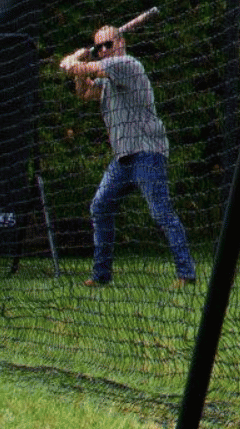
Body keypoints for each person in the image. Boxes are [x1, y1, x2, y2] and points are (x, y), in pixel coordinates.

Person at [60, 24, 197, 287]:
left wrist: (73, 60)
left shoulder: (126, 64)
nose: (103, 50)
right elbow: (85, 92)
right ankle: (101, 276)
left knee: (160, 213)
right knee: (100, 206)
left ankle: (186, 273)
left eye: (107, 45)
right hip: (123, 157)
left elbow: (74, 67)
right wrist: (80, 69)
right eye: (98, 47)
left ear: (120, 43)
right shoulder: (107, 72)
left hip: (147, 152)